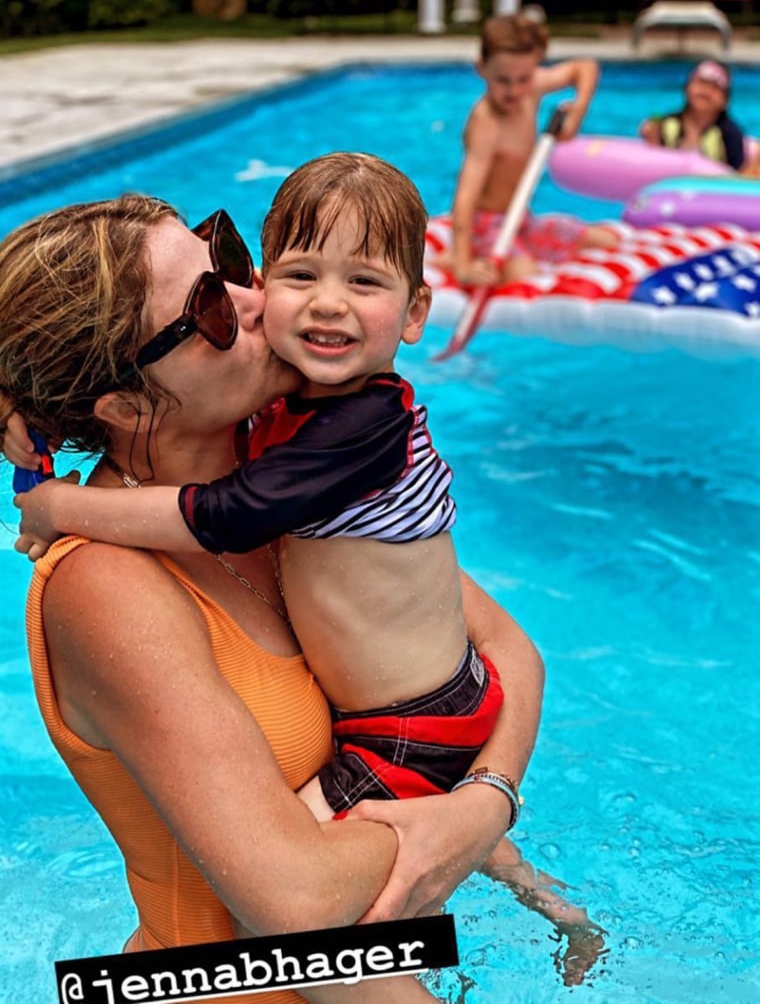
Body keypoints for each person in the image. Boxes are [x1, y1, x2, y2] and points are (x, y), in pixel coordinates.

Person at [0, 192, 545, 1002]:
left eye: (228, 259)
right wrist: (459, 825)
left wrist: (482, 804)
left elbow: (509, 653)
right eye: (212, 308)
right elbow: (299, 903)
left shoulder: (290, 480)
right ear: (124, 404)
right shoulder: (105, 586)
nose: (264, 300)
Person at [441, 13, 618, 288]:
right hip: (485, 227)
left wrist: (577, 112)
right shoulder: (487, 124)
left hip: (521, 220)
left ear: (534, 69)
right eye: (502, 80)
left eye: (522, 79)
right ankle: (451, 259)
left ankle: (457, 257)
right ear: (481, 68)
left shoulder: (532, 88)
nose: (513, 91)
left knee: (606, 242)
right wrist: (464, 268)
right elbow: (465, 199)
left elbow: (585, 67)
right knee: (527, 277)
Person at [639, 59, 746, 171]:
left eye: (714, 87)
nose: (705, 90)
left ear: (725, 100)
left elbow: (737, 173)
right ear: (686, 89)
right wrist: (652, 139)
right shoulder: (667, 125)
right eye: (700, 82)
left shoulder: (729, 134)